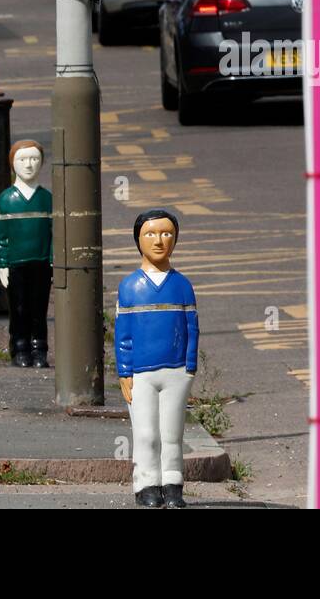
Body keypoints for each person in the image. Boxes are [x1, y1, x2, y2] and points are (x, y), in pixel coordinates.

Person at [115, 209, 199, 508]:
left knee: (172, 432)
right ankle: (146, 483)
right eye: (150, 234)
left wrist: (190, 366)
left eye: (167, 234)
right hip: (141, 373)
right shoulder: (130, 287)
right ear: (138, 239)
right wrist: (124, 371)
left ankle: (173, 484)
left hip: (176, 371)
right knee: (147, 433)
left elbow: (191, 329)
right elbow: (123, 334)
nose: (159, 241)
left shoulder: (182, 286)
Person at [0, 140, 54, 369]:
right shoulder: (7, 199)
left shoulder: (47, 199)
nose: (28, 165)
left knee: (40, 309)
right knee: (18, 309)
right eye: (22, 159)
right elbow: (1, 236)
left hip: (41, 263)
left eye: (34, 159)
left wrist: (52, 261)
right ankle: (19, 348)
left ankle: (40, 349)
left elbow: (53, 235)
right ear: (13, 163)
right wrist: (2, 263)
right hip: (16, 264)